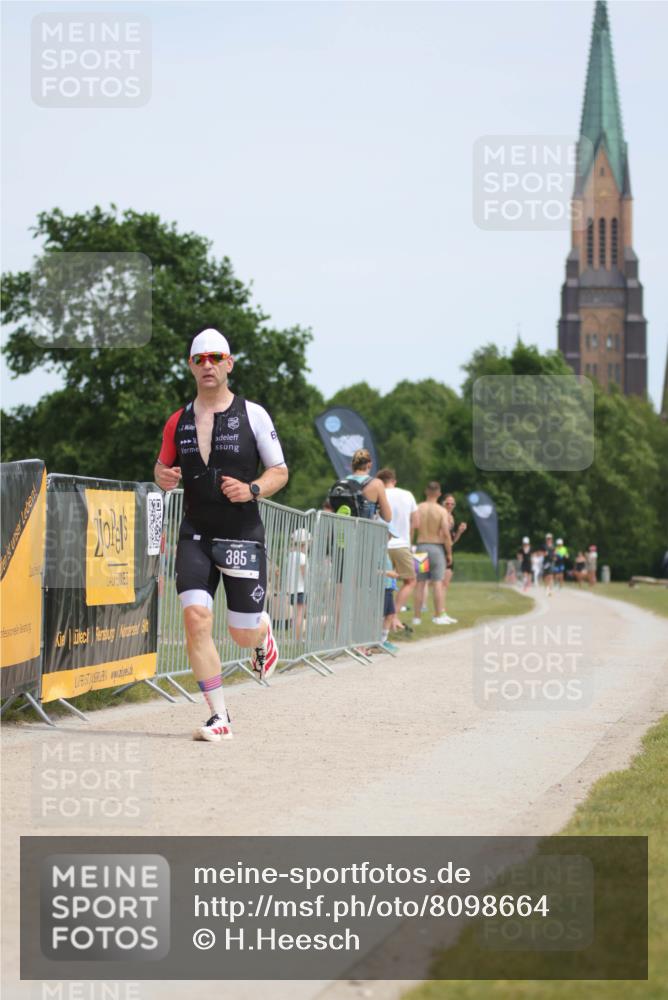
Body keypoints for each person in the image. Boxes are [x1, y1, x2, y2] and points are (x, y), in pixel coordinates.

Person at [154, 327, 289, 743]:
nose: (208, 365)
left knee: (240, 633)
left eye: (216, 358)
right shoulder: (177, 421)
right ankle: (219, 715)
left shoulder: (254, 414)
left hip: (242, 535)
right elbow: (160, 472)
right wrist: (164, 477)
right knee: (195, 618)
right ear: (191, 367)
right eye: (200, 359)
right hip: (196, 532)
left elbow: (279, 472)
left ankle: (261, 633)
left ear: (229, 364)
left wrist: (252, 489)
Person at [377, 469, 419, 628]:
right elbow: (416, 521)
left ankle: (384, 618)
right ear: (394, 481)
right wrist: (409, 538)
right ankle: (394, 616)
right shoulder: (407, 494)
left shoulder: (379, 493)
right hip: (401, 543)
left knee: (383, 582)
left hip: (381, 543)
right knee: (410, 581)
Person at [412, 482, 454, 625]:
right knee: (437, 582)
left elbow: (414, 526)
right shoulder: (441, 511)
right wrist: (449, 553)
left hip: (421, 546)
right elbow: (446, 534)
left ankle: (416, 617)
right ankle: (438, 615)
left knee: (420, 582)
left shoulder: (419, 507)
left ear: (426, 491)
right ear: (439, 493)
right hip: (436, 548)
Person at [346, 448, 392, 523]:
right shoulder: (377, 484)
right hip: (364, 532)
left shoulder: (343, 483)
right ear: (369, 465)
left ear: (352, 465)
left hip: (345, 531)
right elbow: (388, 517)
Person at [440, 494, 467, 619]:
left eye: (452, 504)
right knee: (431, 582)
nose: (450, 506)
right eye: (447, 503)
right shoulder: (440, 515)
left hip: (448, 551)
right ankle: (438, 611)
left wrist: (460, 532)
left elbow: (452, 541)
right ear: (443, 503)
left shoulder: (452, 517)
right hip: (440, 550)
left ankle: (442, 611)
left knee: (445, 583)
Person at [286, 528, 310, 638]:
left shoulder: (291, 555)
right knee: (300, 614)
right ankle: (298, 637)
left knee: (296, 614)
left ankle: (296, 636)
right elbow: (305, 573)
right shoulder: (302, 556)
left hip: (291, 589)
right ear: (304, 543)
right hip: (301, 589)